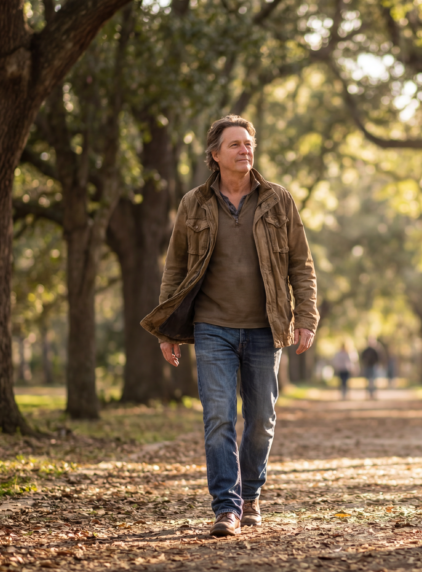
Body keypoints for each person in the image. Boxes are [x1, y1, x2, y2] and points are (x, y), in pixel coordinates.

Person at [141, 115, 318, 538]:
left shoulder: (279, 200)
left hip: (264, 327)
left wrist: (306, 318)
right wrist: (167, 329)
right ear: (215, 155)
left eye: (249, 143)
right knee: (219, 418)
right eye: (235, 144)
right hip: (212, 327)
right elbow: (175, 268)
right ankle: (227, 507)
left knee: (261, 420)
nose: (245, 150)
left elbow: (301, 265)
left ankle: (252, 493)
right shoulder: (193, 204)